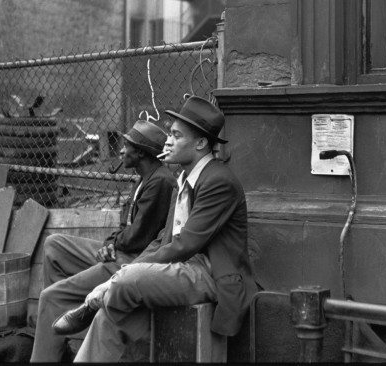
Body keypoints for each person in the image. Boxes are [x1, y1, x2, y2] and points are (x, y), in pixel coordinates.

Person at [51, 96, 258, 362]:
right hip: (182, 268)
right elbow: (164, 239)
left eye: (176, 135)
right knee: (111, 313)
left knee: (128, 282)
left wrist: (126, 274)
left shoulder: (218, 181)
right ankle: (100, 303)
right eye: (169, 134)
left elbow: (186, 245)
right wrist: (132, 266)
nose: (167, 141)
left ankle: (96, 299)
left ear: (200, 143)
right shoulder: (183, 177)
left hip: (210, 274)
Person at [29, 120, 175, 362]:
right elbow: (124, 227)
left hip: (131, 261)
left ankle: (50, 345)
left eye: (126, 146)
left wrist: (114, 245)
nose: (120, 150)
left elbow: (138, 237)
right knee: (54, 245)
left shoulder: (160, 182)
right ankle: (62, 336)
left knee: (50, 297)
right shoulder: (143, 178)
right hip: (121, 250)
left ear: (140, 152)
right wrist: (110, 242)